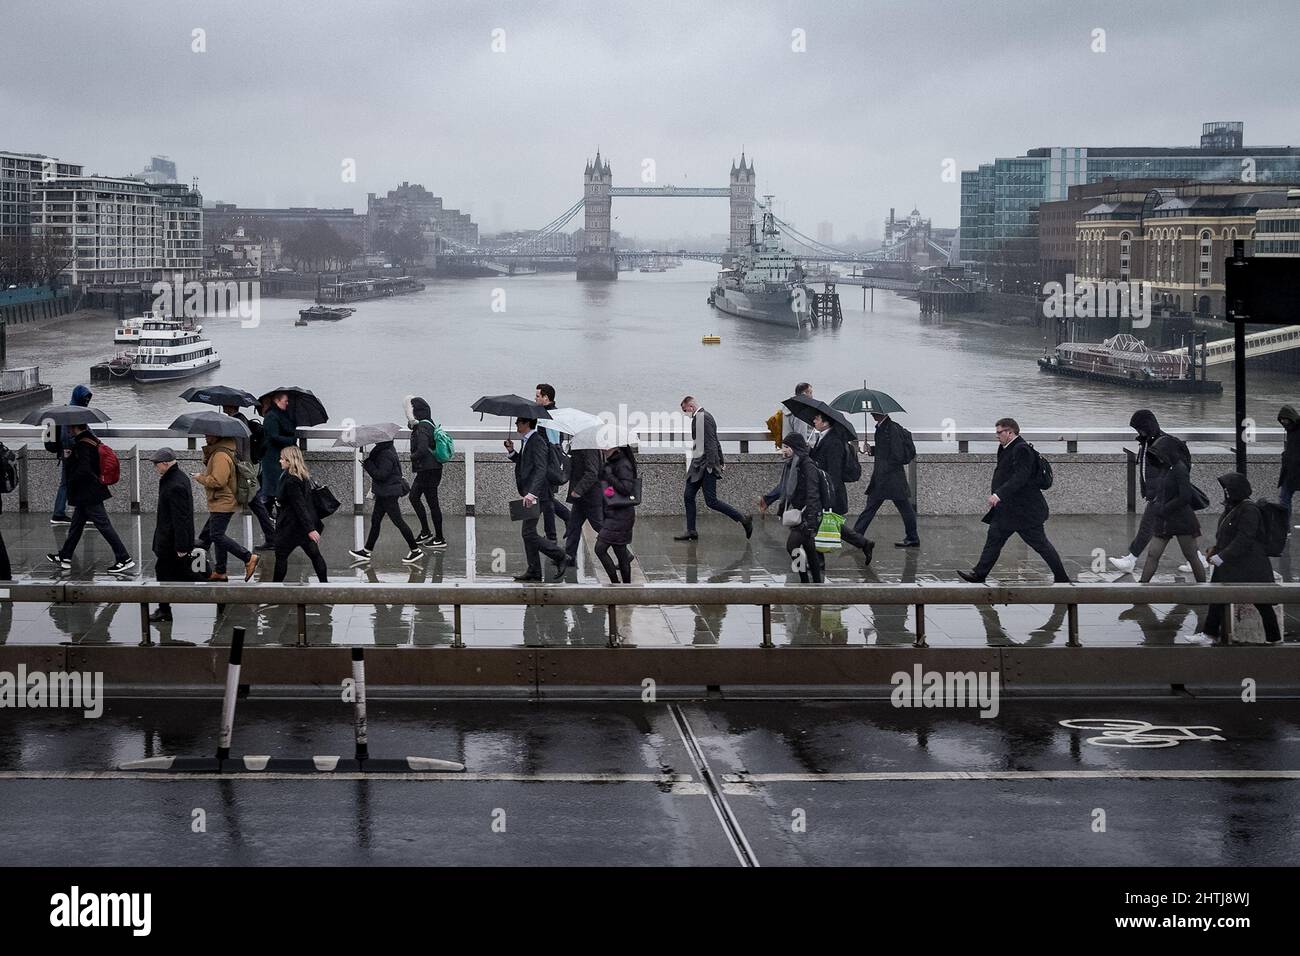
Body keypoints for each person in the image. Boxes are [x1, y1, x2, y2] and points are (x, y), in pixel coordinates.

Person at [958, 418, 1069, 584]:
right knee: (994, 539)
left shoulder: (1021, 449)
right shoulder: (1007, 447)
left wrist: (999, 494)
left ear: (1010, 432)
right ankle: (979, 574)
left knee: (1041, 545)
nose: (997, 436)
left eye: (999, 432)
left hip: (1025, 511)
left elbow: (1020, 477)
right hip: (1009, 510)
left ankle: (1062, 578)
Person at [1109, 410, 1198, 572]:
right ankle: (1198, 559)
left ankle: (1131, 559)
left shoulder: (1163, 443)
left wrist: (1160, 491)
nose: (1138, 432)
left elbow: (1175, 468)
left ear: (1147, 426)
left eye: (1139, 428)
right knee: (1181, 529)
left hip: (1162, 494)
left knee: (1147, 527)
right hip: (1159, 494)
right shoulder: (1147, 441)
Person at [1203, 472, 1281, 644]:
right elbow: (1229, 535)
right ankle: (1210, 633)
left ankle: (1274, 638)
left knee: (1261, 601)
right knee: (1217, 596)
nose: (1225, 492)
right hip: (1236, 563)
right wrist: (1216, 550)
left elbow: (1244, 538)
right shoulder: (1233, 507)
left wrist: (1222, 556)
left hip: (1251, 565)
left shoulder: (1249, 509)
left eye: (1227, 489)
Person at [46, 423, 134, 574]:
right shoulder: (91, 439)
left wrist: (69, 468)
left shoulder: (82, 445)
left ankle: (124, 558)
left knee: (104, 526)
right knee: (76, 526)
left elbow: (84, 469)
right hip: (88, 492)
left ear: (75, 428)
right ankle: (65, 556)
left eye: (69, 428)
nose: (67, 430)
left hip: (88, 493)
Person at [675, 395, 752, 541]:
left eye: (686, 411)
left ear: (691, 407)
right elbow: (715, 441)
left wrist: (712, 466)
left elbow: (711, 443)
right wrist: (721, 460)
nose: (686, 414)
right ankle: (691, 531)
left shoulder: (702, 418)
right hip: (698, 465)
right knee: (688, 495)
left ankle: (743, 519)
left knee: (711, 501)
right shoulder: (702, 417)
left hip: (705, 466)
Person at [506, 417, 571, 582]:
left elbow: (541, 469)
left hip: (539, 495)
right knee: (528, 533)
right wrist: (512, 452)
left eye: (518, 423)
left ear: (526, 424)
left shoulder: (537, 441)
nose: (516, 425)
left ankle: (560, 555)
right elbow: (525, 463)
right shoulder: (528, 440)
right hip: (534, 493)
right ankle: (534, 570)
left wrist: (532, 493)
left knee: (528, 533)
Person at [1137, 436, 1206, 584]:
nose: (1158, 458)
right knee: (1152, 554)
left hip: (1181, 519)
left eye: (1160, 454)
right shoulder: (1165, 468)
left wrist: (1164, 508)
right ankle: (1142, 587)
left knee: (1191, 556)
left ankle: (1204, 590)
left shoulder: (1180, 469)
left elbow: (1185, 496)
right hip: (1164, 520)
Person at [192, 432, 259, 583]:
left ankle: (248, 557)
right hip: (221, 500)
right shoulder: (219, 451)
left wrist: (200, 478)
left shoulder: (221, 455)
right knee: (217, 534)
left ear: (218, 436)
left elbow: (219, 481)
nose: (205, 436)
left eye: (209, 434)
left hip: (223, 500)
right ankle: (220, 571)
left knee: (216, 535)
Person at [807, 413, 875, 561]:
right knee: (829, 524)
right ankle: (864, 543)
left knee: (818, 523)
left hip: (829, 490)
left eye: (817, 418)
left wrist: (827, 494)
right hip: (824, 488)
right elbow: (820, 460)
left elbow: (833, 471)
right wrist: (810, 451)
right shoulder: (823, 437)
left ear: (825, 423)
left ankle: (818, 563)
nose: (814, 421)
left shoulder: (834, 442)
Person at [350, 437, 423, 565]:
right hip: (384, 492)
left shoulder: (385, 454)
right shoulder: (385, 450)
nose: (374, 440)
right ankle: (367, 551)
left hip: (388, 494)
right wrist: (370, 461)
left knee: (398, 522)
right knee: (375, 521)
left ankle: (415, 550)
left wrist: (368, 465)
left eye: (377, 439)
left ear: (382, 440)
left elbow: (381, 475)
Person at [853, 411, 919, 547]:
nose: (871, 414)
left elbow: (898, 454)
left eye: (874, 412)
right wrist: (871, 450)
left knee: (903, 508)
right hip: (885, 478)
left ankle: (855, 535)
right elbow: (885, 449)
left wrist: (885, 467)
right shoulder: (883, 427)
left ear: (883, 413)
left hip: (890, 477)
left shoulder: (892, 429)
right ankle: (856, 535)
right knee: (874, 506)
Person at [150, 448, 195, 623]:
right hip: (169, 538)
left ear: (165, 463)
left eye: (156, 465)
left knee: (176, 572)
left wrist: (182, 547)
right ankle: (164, 610)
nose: (155, 468)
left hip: (171, 541)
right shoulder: (176, 478)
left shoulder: (174, 484)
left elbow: (180, 518)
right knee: (173, 572)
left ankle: (164, 611)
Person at [272, 445, 328, 583]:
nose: (280, 461)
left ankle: (273, 590)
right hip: (302, 526)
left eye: (282, 459)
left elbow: (299, 506)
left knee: (281, 557)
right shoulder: (302, 476)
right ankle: (325, 585)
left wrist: (310, 530)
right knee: (315, 555)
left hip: (291, 527)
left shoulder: (291, 480)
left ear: (290, 461)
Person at [224, 403, 276, 546]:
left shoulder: (237, 422)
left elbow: (240, 448)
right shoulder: (242, 420)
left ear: (232, 406)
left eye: (225, 404)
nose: (223, 406)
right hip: (246, 467)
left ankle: (209, 535)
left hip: (241, 469)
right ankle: (271, 537)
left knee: (226, 503)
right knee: (253, 502)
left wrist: (236, 464)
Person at [776, 433, 824, 583]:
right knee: (810, 550)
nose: (783, 450)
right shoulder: (792, 464)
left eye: (786, 447)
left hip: (806, 515)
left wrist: (811, 520)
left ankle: (804, 580)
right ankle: (816, 583)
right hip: (799, 512)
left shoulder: (807, 465)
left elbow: (813, 493)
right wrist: (781, 508)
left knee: (792, 547)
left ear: (794, 448)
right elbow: (786, 490)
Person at [47, 384, 93, 526]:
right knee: (79, 483)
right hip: (72, 456)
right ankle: (63, 514)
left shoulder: (71, 411)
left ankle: (60, 513)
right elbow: (68, 437)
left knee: (67, 484)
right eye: (85, 398)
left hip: (68, 455)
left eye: (88, 398)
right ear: (79, 397)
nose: (87, 401)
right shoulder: (72, 414)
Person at [405, 396, 446, 548]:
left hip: (428, 471)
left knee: (432, 503)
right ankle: (426, 531)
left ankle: (439, 538)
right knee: (414, 497)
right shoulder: (429, 423)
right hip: (431, 469)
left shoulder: (422, 427)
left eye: (413, 411)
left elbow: (422, 449)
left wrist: (412, 456)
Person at [595, 444, 637, 582]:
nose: (602, 448)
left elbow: (626, 488)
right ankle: (624, 587)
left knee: (600, 549)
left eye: (605, 446)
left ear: (615, 447)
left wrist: (609, 476)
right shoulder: (611, 462)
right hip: (613, 513)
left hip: (621, 515)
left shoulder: (623, 463)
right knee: (621, 554)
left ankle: (617, 584)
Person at [535, 383, 570, 541]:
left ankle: (552, 536)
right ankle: (563, 524)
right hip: (547, 463)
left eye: (537, 396)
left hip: (548, 464)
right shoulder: (548, 414)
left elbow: (554, 443)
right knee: (546, 498)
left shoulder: (550, 417)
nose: (535, 399)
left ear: (546, 398)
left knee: (546, 499)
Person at [259, 392, 297, 531]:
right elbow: (274, 436)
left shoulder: (280, 415)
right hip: (273, 460)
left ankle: (272, 522)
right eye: (285, 401)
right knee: (274, 491)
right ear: (277, 400)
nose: (287, 403)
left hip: (278, 458)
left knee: (274, 492)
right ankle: (271, 522)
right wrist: (291, 440)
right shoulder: (271, 417)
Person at [563, 444, 605, 564]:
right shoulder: (580, 444)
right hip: (582, 497)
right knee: (573, 525)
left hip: (589, 496)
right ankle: (569, 557)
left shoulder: (588, 447)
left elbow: (592, 472)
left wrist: (578, 490)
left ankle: (623, 552)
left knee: (599, 525)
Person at [1278, 405, 1300, 524]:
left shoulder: (1292, 431)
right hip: (1290, 469)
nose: (1283, 422)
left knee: (1285, 498)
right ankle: (1284, 527)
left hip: (1292, 469)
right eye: (1282, 420)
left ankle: (1284, 527)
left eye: (1285, 420)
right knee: (1284, 498)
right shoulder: (1291, 429)